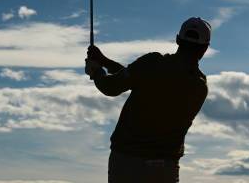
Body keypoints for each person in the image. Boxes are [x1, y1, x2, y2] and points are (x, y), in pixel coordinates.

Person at [84, 17, 211, 183]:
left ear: (178, 39)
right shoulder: (199, 87)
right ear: (205, 49)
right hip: (165, 168)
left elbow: (112, 87)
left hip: (126, 163)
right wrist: (105, 62)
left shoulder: (152, 63)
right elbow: (143, 81)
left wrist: (96, 71)